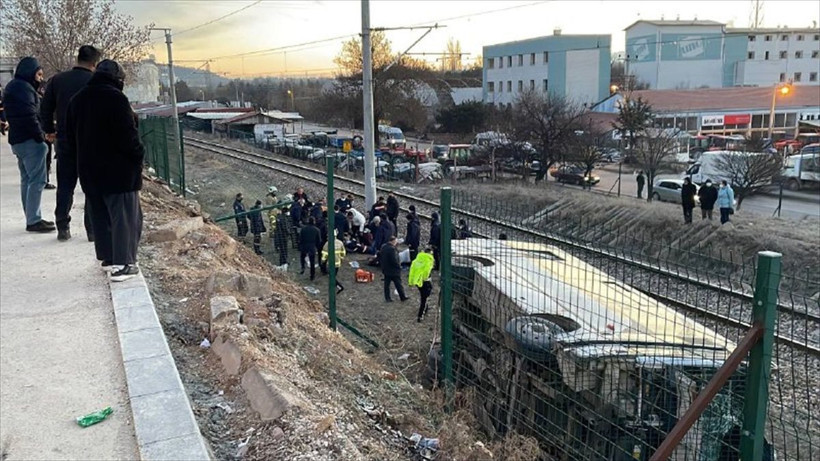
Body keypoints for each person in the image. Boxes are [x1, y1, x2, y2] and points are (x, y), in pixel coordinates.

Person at [66, 59, 144, 281]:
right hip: (119, 171)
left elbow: (70, 138)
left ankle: (109, 260)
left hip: (89, 170)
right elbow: (127, 136)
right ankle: (123, 264)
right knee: (125, 217)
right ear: (117, 79)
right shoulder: (116, 99)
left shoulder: (77, 100)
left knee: (100, 215)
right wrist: (139, 153)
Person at [39, 45, 101, 241]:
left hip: (65, 141)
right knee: (92, 188)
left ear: (78, 59)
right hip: (91, 144)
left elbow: (45, 109)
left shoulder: (58, 80)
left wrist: (49, 130)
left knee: (65, 186)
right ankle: (92, 230)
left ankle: (63, 227)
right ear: (94, 63)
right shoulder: (96, 81)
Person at [4, 56, 54, 233]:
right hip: (31, 141)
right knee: (37, 180)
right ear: (31, 72)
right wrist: (42, 137)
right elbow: (30, 117)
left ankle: (31, 217)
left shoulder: (12, 87)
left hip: (18, 141)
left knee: (27, 179)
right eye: (38, 75)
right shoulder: (24, 90)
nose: (40, 79)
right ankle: (34, 220)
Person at [408, 248, 435, 322]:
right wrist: (426, 278)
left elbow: (411, 271)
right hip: (425, 281)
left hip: (418, 281)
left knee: (423, 295)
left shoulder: (416, 260)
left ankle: (425, 308)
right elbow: (427, 271)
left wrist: (411, 282)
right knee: (425, 298)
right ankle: (420, 316)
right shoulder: (428, 260)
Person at [380, 236, 408, 302]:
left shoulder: (384, 247)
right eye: (395, 241)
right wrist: (399, 266)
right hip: (393, 270)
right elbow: (394, 260)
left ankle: (387, 298)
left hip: (386, 269)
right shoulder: (392, 249)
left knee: (386, 285)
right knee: (398, 284)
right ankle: (402, 296)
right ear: (392, 241)